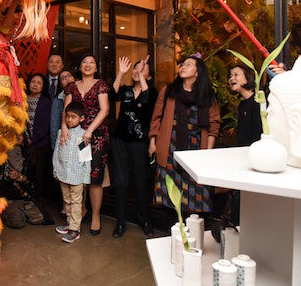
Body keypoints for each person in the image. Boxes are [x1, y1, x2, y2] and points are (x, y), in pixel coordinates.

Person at [149, 56, 220, 214]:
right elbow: (156, 118)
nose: (183, 67)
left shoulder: (207, 95)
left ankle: (190, 228)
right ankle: (175, 228)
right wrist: (153, 142)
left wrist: (208, 151)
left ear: (198, 72)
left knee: (195, 191)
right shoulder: (168, 91)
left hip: (196, 148)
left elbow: (214, 124)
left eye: (188, 65)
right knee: (170, 192)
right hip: (170, 146)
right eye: (182, 65)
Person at [60, 54, 110, 235]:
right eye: (84, 62)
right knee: (75, 175)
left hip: (96, 137)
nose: (87, 65)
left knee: (95, 177)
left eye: (92, 63)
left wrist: (89, 131)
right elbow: (66, 111)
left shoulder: (101, 85)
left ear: (96, 68)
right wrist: (64, 128)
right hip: (75, 137)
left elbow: (105, 110)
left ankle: (95, 217)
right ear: (79, 66)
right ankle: (80, 213)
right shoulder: (72, 86)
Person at [109, 56, 157, 238]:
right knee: (121, 182)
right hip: (120, 140)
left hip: (139, 142)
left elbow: (144, 100)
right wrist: (121, 73)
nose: (137, 70)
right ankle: (120, 222)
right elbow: (112, 96)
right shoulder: (126, 90)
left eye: (142, 68)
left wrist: (142, 75)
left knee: (140, 181)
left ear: (149, 76)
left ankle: (144, 219)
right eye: (135, 68)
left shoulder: (152, 93)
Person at [0, 134, 54, 229]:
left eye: (20, 134)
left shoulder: (27, 154)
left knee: (40, 218)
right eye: (13, 133)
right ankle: (9, 211)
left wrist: (20, 177)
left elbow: (32, 181)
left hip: (24, 197)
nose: (17, 136)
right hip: (8, 198)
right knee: (18, 222)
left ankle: (20, 210)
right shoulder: (1, 155)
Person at [53, 101, 90, 243]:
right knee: (67, 201)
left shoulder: (83, 136)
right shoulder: (61, 133)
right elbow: (56, 153)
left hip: (77, 176)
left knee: (76, 202)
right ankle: (69, 224)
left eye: (73, 117)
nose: (69, 120)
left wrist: (86, 178)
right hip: (63, 174)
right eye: (67, 116)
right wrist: (56, 170)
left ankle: (75, 230)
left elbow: (86, 159)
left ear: (81, 119)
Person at [24, 73, 52, 199]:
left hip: (39, 144)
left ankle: (37, 203)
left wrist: (31, 140)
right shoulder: (23, 99)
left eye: (39, 82)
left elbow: (45, 126)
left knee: (38, 174)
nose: (35, 84)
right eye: (33, 81)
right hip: (22, 142)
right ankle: (25, 199)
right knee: (24, 172)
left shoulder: (46, 102)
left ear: (43, 86)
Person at [229, 65, 261, 147]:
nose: (231, 78)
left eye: (236, 75)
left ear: (248, 78)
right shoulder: (242, 104)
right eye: (230, 76)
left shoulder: (259, 101)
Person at [50, 70, 75, 150]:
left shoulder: (83, 94)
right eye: (63, 78)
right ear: (60, 84)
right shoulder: (58, 101)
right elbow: (54, 126)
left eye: (69, 76)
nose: (67, 79)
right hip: (66, 140)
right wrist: (55, 148)